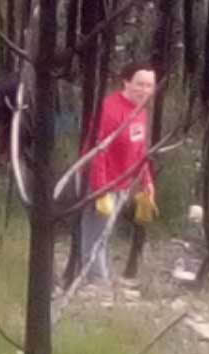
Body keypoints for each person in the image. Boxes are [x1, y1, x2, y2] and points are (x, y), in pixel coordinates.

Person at [66, 66, 159, 295]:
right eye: (140, 83)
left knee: (106, 232)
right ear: (126, 83)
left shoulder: (141, 111)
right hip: (100, 181)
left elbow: (140, 150)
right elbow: (98, 152)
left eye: (149, 85)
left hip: (122, 183)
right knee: (95, 233)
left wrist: (146, 181)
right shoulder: (109, 109)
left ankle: (102, 275)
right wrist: (100, 189)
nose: (144, 89)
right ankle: (95, 283)